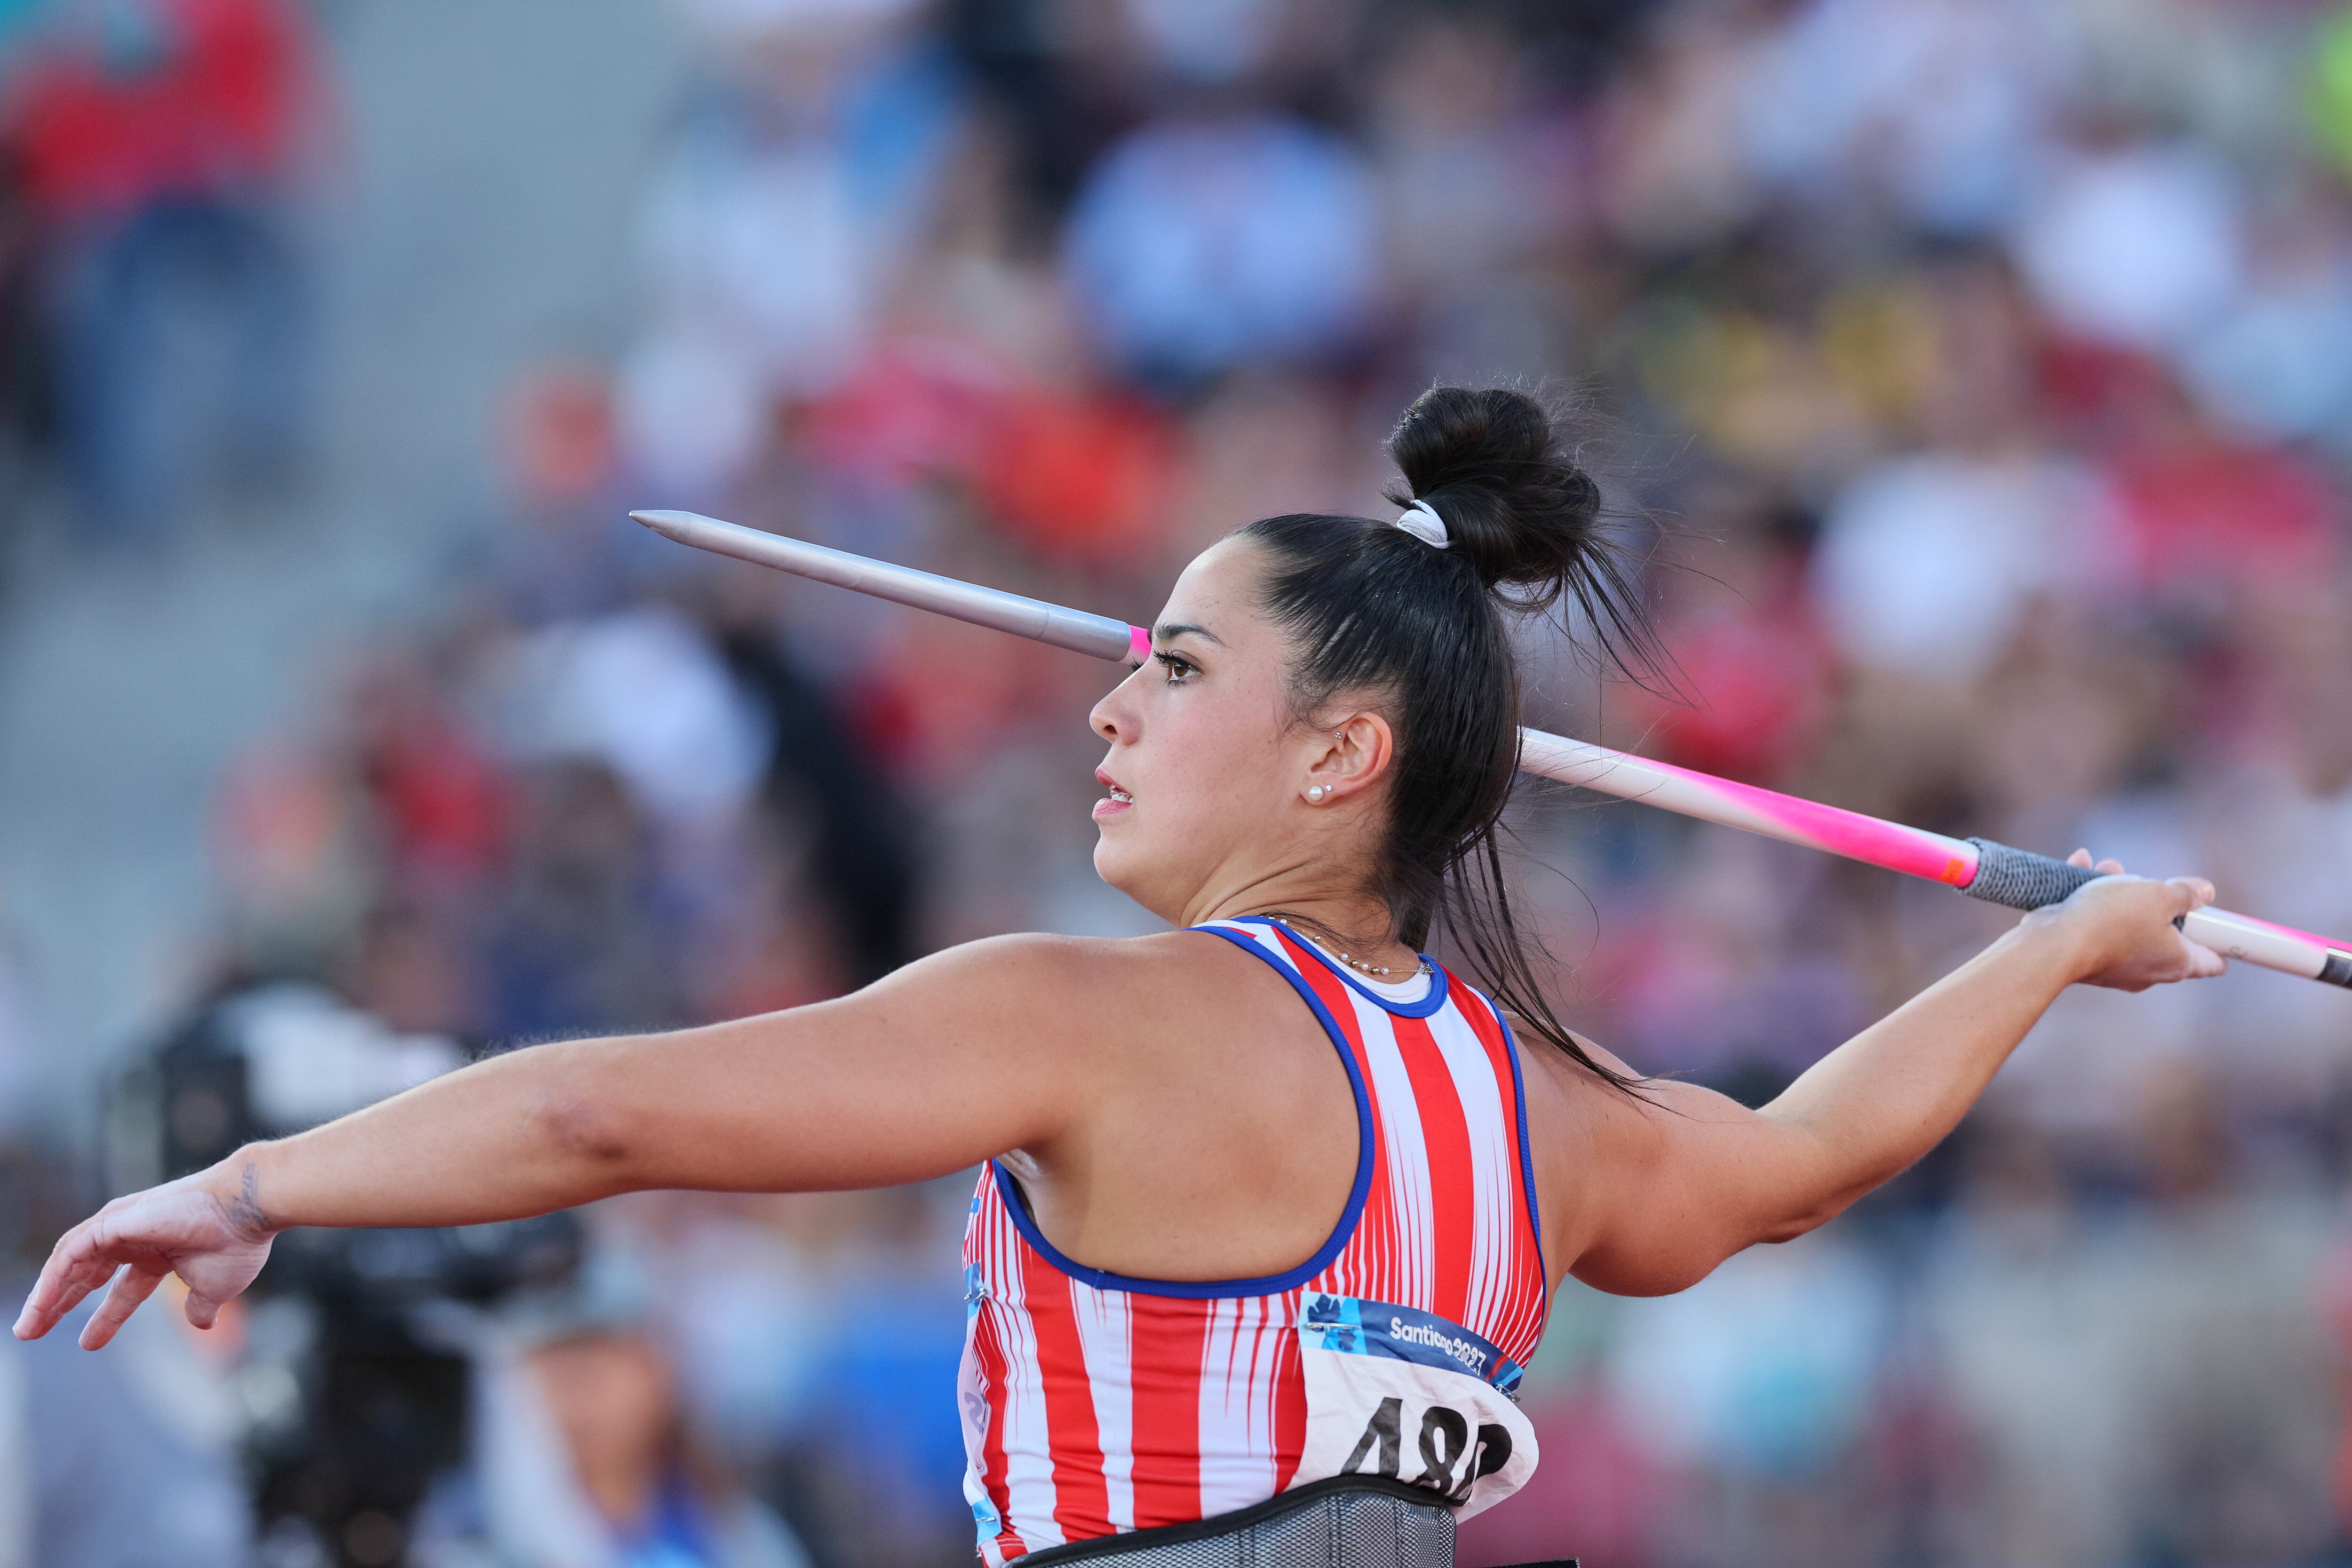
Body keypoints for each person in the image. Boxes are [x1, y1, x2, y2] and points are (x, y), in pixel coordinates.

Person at [12, 387, 2224, 1566]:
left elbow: (605, 1112)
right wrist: (2054, 948)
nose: (1107, 707)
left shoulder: (1086, 1022)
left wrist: (263, 1184)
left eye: (1167, 665)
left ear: (1340, 752)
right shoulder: (1538, 1117)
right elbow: (1797, 1160)